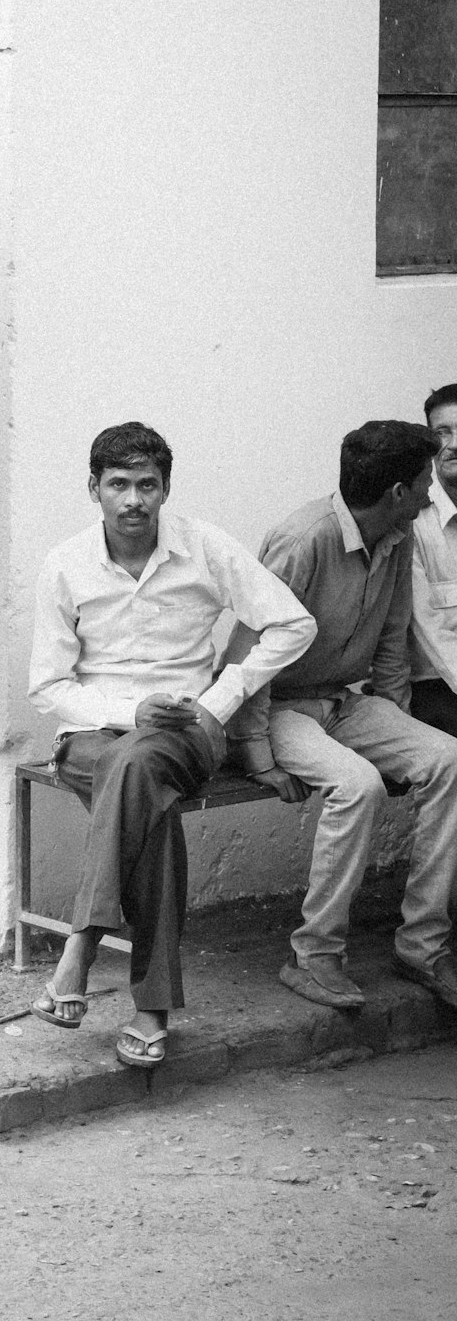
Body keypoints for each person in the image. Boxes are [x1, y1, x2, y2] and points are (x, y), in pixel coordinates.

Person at [27, 422, 316, 1068]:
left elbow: (294, 624)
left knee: (142, 765)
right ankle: (151, 1005)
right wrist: (129, 710)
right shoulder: (66, 565)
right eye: (119, 485)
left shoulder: (205, 549)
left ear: (165, 490)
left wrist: (220, 699)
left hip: (187, 732)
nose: (134, 500)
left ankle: (81, 950)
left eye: (147, 485)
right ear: (94, 489)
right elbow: (48, 686)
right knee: (140, 784)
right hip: (94, 738)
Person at [227, 420, 457, 1013]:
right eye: (425, 482)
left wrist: (399, 732)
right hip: (277, 705)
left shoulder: (397, 533)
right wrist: (255, 755)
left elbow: (391, 640)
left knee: (448, 758)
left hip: (342, 700)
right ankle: (314, 954)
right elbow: (250, 651)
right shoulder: (304, 540)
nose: (432, 494)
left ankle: (423, 944)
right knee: (357, 786)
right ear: (398, 492)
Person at [410, 384, 457, 739]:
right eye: (443, 433)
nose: (454, 444)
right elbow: (432, 632)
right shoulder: (413, 520)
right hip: (436, 687)